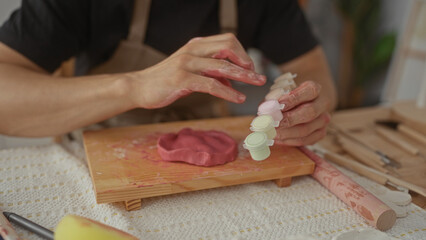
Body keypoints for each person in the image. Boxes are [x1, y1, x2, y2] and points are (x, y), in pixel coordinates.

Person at [0, 0, 337, 146]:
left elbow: (311, 72)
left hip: (212, 161)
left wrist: (305, 108)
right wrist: (133, 86)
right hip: (97, 156)